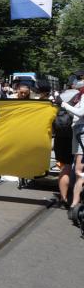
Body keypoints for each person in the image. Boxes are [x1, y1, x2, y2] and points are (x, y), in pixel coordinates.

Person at [59, 79, 84, 225]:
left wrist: (65, 106)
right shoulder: (80, 95)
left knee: (79, 170)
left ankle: (74, 205)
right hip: (79, 132)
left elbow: (80, 112)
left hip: (82, 133)